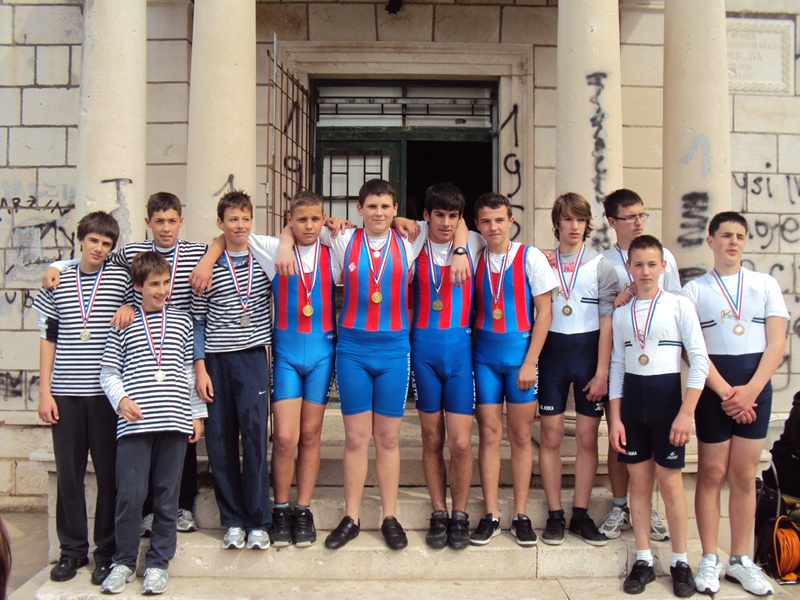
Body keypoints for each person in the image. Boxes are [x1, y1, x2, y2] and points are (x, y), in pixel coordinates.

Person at [41, 192, 209, 536]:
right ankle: (86, 543)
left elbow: (220, 247)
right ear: (148, 223)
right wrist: (56, 266)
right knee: (87, 468)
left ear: (181, 221)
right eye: (158, 221)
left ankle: (154, 522)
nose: (165, 228)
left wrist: (131, 305)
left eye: (172, 221)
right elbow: (50, 332)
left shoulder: (182, 256)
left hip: (146, 369)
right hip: (98, 376)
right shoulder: (118, 258)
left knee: (142, 458)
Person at [275, 179, 430, 550]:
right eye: (371, 206)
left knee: (388, 439)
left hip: (394, 351)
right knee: (357, 439)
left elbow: (455, 225)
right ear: (358, 210)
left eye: (386, 207)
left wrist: (409, 223)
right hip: (353, 351)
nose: (379, 213)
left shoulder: (411, 238)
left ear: (395, 210)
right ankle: (351, 517)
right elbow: (299, 225)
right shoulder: (342, 239)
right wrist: (282, 241)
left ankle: (389, 516)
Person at [192, 190, 340, 548]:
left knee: (310, 435)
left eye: (315, 219)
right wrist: (209, 259)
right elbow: (228, 236)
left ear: (323, 221)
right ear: (289, 220)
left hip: (322, 354)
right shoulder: (271, 248)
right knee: (285, 438)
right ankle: (280, 507)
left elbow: (370, 237)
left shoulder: (333, 249)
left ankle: (303, 510)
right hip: (285, 355)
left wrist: (338, 225)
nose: (308, 225)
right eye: (300, 219)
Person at [683, 211, 789, 597]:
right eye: (726, 235)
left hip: (755, 389)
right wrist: (728, 392)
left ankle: (741, 560)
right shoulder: (694, 290)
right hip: (715, 390)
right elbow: (691, 350)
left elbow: (776, 343)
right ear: (710, 241)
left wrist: (750, 391)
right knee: (711, 472)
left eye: (740, 236)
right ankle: (710, 557)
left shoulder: (765, 284)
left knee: (744, 475)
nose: (733, 242)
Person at [98, 251, 206, 595]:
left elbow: (189, 372)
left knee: (167, 497)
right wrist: (121, 401)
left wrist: (196, 414)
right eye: (154, 284)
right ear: (138, 287)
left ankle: (158, 564)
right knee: (130, 496)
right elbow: (109, 372)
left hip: (174, 422)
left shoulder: (182, 322)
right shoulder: (124, 323)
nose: (162, 290)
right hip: (136, 425)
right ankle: (124, 562)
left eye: (166, 283)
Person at [607, 235, 709, 597]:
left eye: (652, 264)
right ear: (629, 268)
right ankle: (644, 559)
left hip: (668, 405)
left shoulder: (679, 306)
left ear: (664, 266)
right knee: (639, 484)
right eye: (638, 264)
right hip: (633, 406)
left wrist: (686, 413)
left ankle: (680, 561)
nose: (646, 271)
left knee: (670, 484)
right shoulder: (622, 314)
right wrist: (615, 419)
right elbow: (617, 366)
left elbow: (700, 361)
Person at [33, 211, 131, 585]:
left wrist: (129, 306)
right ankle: (72, 551)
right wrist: (45, 391)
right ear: (80, 240)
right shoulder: (57, 280)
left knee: (109, 475)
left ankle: (105, 553)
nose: (99, 249)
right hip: (65, 393)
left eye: (106, 244)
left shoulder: (120, 279)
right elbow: (47, 337)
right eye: (93, 241)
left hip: (105, 395)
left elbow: (141, 302)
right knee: (70, 476)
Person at [468, 192, 557, 547]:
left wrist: (531, 362)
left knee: (520, 436)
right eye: (486, 221)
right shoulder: (474, 253)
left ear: (511, 221)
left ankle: (520, 514)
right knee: (489, 435)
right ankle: (491, 514)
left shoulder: (530, 257)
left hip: (520, 357)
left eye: (499, 220)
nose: (493, 227)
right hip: (484, 358)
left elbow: (545, 313)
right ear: (477, 225)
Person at [192, 190, 273, 551]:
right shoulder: (206, 266)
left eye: (245, 219)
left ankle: (258, 521)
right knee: (220, 441)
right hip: (216, 361)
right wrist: (200, 368)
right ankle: (233, 521)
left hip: (252, 357)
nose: (240, 226)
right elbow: (197, 321)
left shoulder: (264, 258)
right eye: (233, 219)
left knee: (255, 439)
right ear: (220, 223)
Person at [599, 188, 681, 542]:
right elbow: (602, 312)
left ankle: (649, 509)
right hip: (622, 361)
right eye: (630, 216)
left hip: (659, 365)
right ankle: (620, 504)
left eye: (641, 215)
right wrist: (618, 302)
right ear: (612, 221)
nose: (638, 222)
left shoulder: (664, 257)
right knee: (619, 436)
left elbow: (675, 304)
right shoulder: (603, 261)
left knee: (658, 442)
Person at [538, 193, 617, 547]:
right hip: (552, 356)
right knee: (551, 435)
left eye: (580, 220)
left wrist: (602, 372)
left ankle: (580, 515)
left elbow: (607, 322)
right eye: (567, 219)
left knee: (586, 437)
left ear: (587, 225)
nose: (574, 226)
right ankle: (555, 513)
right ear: (557, 222)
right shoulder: (541, 262)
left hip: (588, 357)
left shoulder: (601, 266)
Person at [406, 183, 475, 550]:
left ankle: (459, 514)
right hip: (424, 353)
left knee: (461, 441)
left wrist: (461, 249)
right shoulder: (414, 242)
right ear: (426, 216)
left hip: (460, 353)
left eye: (453, 216)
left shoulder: (472, 243)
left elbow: (490, 237)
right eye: (439, 215)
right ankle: (438, 511)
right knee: (432, 438)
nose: (446, 223)